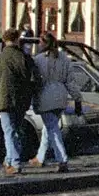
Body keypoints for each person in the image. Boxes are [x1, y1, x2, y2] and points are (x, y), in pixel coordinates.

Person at [0, 27, 38, 176]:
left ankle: (15, 163)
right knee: (16, 131)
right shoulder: (25, 58)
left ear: (4, 40)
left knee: (9, 131)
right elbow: (34, 79)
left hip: (3, 99)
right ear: (17, 39)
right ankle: (9, 159)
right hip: (21, 100)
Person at [30, 34, 75, 173]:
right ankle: (40, 157)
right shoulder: (64, 58)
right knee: (49, 126)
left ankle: (62, 159)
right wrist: (77, 97)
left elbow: (35, 80)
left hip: (45, 95)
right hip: (61, 94)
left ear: (43, 44)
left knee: (52, 128)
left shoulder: (38, 60)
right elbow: (70, 81)